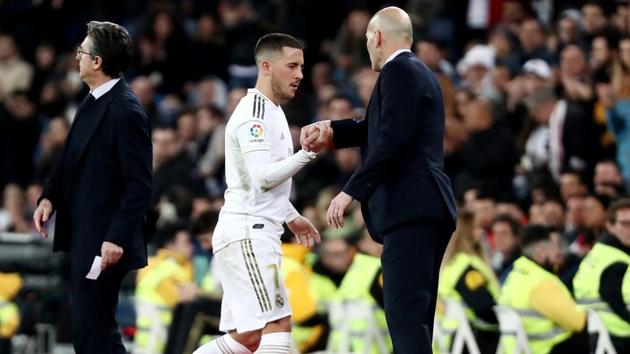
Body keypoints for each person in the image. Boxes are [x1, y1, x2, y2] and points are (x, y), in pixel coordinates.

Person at [301, 7, 457, 353]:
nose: (367, 45)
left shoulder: (397, 71)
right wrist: (333, 131)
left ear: (378, 37)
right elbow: (385, 129)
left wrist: (350, 191)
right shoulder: (420, 72)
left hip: (410, 208)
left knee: (404, 319)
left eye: (368, 38)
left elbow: (392, 140)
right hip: (426, 205)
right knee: (414, 319)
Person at [193, 33, 321, 354]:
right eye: (292, 66)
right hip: (250, 232)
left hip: (251, 230)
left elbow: (258, 182)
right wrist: (307, 153)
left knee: (248, 338)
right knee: (277, 325)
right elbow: (262, 178)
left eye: (301, 67)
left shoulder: (273, 110)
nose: (300, 75)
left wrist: (291, 217)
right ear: (266, 66)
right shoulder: (255, 113)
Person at [32, 21, 152, 354]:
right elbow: (70, 157)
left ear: (97, 62)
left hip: (105, 241)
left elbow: (139, 186)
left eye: (82, 51)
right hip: (85, 233)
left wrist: (116, 237)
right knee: (91, 331)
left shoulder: (126, 110)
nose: (77, 57)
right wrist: (49, 197)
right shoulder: (92, 100)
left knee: (93, 332)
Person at [499, 225, 588, 354]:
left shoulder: (516, 273)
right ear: (541, 253)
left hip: (521, 347)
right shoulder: (540, 282)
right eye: (553, 249)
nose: (558, 254)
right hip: (544, 348)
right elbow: (579, 322)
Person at [438, 210, 500, 353]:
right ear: (468, 232)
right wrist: (505, 320)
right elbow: (483, 306)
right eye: (477, 228)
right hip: (472, 339)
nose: (481, 233)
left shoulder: (453, 264)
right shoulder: (466, 268)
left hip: (455, 338)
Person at [573, 198, 630, 352]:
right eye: (625, 224)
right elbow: (616, 301)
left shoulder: (598, 253)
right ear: (610, 226)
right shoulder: (618, 261)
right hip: (620, 337)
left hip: (599, 336)